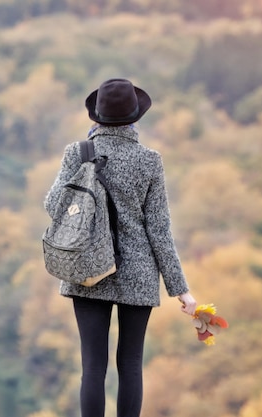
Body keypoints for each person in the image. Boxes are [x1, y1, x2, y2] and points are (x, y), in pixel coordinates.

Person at [44, 78, 197, 417]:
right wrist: (181, 290)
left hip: (86, 269)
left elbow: (54, 205)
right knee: (130, 363)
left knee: (92, 367)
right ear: (135, 118)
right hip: (137, 273)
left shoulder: (78, 153)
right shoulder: (149, 160)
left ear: (96, 117)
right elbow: (159, 230)